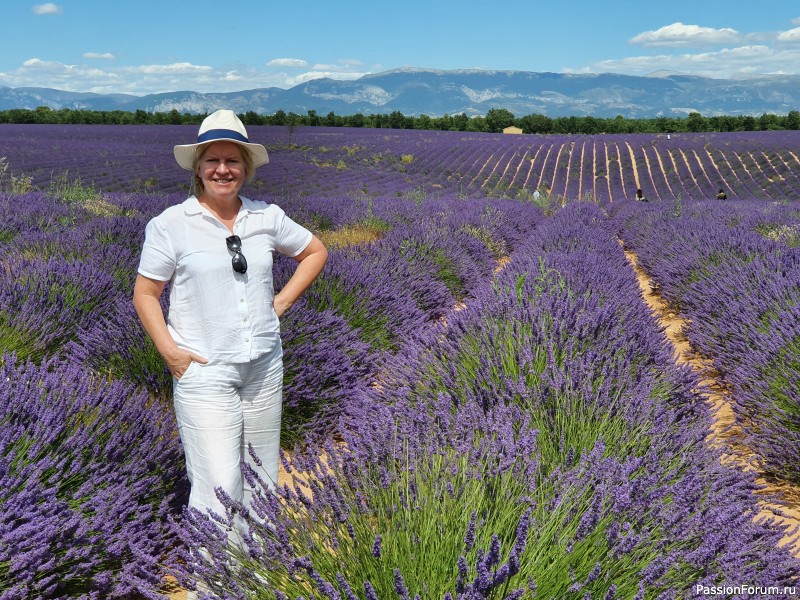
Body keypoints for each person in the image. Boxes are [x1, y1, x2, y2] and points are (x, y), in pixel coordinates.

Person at [133, 110, 327, 548]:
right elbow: (146, 294)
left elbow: (315, 251)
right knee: (216, 484)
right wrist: (171, 352)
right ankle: (212, 584)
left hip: (263, 366)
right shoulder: (171, 224)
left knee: (260, 476)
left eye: (233, 161)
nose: (223, 169)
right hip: (205, 371)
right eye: (213, 161)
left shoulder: (266, 217)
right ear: (198, 168)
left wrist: (279, 303)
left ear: (246, 168)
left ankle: (254, 578)